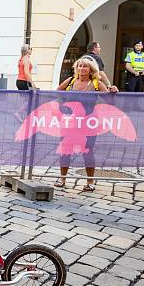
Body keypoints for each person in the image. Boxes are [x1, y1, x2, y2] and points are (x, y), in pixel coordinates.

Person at [54, 57, 111, 192]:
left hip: (88, 124)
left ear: (91, 69)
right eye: (79, 66)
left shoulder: (96, 83)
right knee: (65, 149)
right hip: (70, 122)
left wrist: (112, 89)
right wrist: (61, 106)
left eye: (85, 66)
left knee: (88, 151)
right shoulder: (70, 81)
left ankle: (90, 181)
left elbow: (109, 98)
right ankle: (62, 178)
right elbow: (57, 92)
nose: (81, 68)